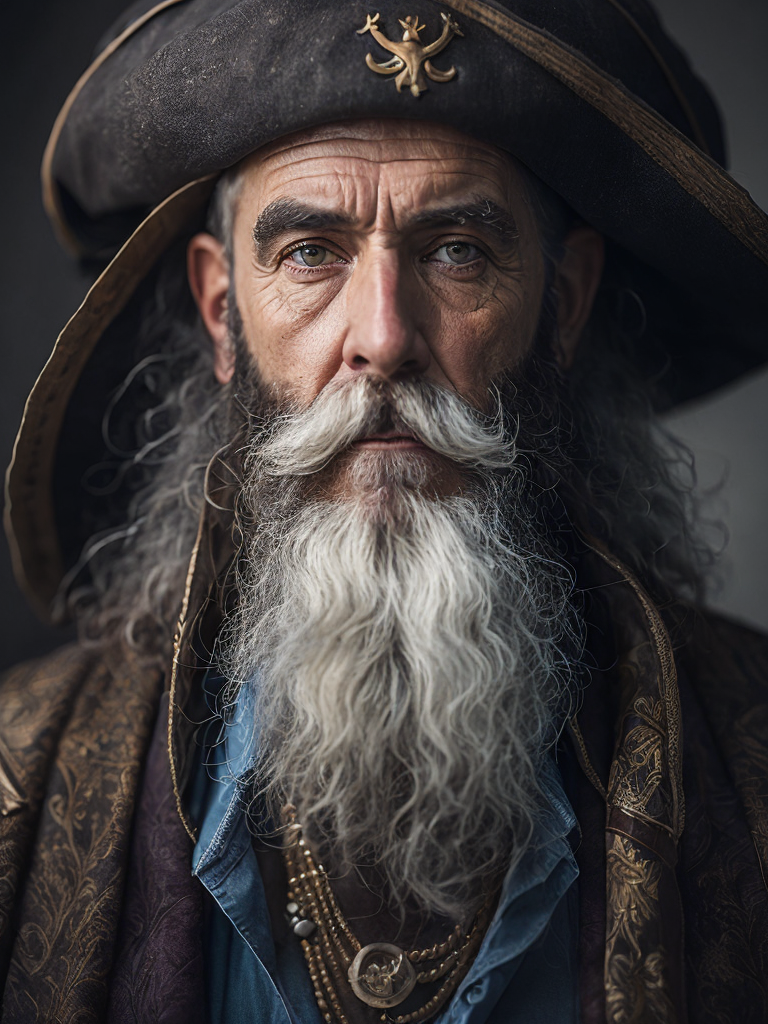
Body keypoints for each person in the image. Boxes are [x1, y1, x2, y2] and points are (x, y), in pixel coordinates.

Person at [1, 0, 767, 1021]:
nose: (383, 337)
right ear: (224, 311)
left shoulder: (752, 765)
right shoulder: (19, 769)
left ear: (566, 301)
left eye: (457, 250)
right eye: (311, 252)